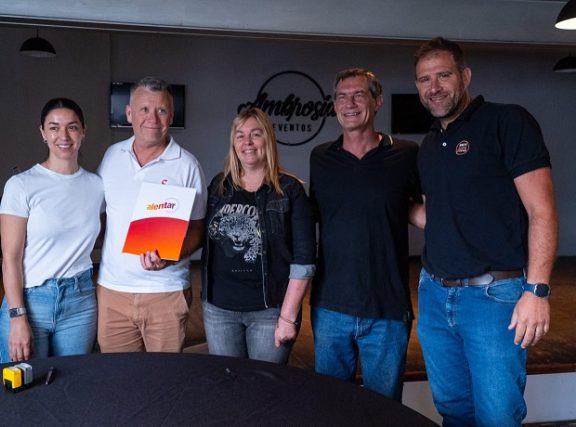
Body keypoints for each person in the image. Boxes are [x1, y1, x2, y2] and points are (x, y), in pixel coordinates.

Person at [412, 37, 558, 426]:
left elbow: (541, 211)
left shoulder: (507, 122)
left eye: (443, 75)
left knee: (497, 416)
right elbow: (437, 215)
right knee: (453, 410)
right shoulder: (430, 145)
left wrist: (537, 291)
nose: (434, 87)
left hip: (493, 299)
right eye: (425, 79)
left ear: (465, 76)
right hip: (434, 295)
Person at [309, 68, 421, 401]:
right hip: (330, 307)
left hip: (387, 309)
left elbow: (427, 211)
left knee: (384, 411)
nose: (350, 103)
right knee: (331, 408)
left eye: (359, 95)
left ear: (377, 101)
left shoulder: (406, 154)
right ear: (334, 106)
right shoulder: (320, 157)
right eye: (342, 97)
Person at [97, 76, 206, 353]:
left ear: (171, 115)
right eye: (144, 109)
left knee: (163, 377)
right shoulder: (111, 157)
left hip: (166, 293)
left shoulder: (187, 165)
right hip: (113, 293)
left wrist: (171, 256)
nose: (152, 118)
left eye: (161, 110)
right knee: (117, 374)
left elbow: (197, 229)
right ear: (129, 113)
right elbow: (102, 216)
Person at [201, 107, 315, 364]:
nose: (248, 142)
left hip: (270, 311)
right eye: (240, 135)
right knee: (227, 382)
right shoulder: (219, 186)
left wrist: (288, 316)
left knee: (264, 384)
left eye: (255, 134)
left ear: (268, 139)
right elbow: (202, 234)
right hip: (219, 309)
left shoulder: (289, 190)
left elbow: (304, 260)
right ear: (233, 142)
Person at [0, 98, 104, 363]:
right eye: (54, 127)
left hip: (80, 300)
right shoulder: (21, 185)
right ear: (43, 133)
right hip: (31, 300)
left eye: (72, 127)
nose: (63, 136)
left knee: (72, 382)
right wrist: (18, 316)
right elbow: (10, 259)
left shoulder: (97, 185)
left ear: (83, 131)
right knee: (24, 383)